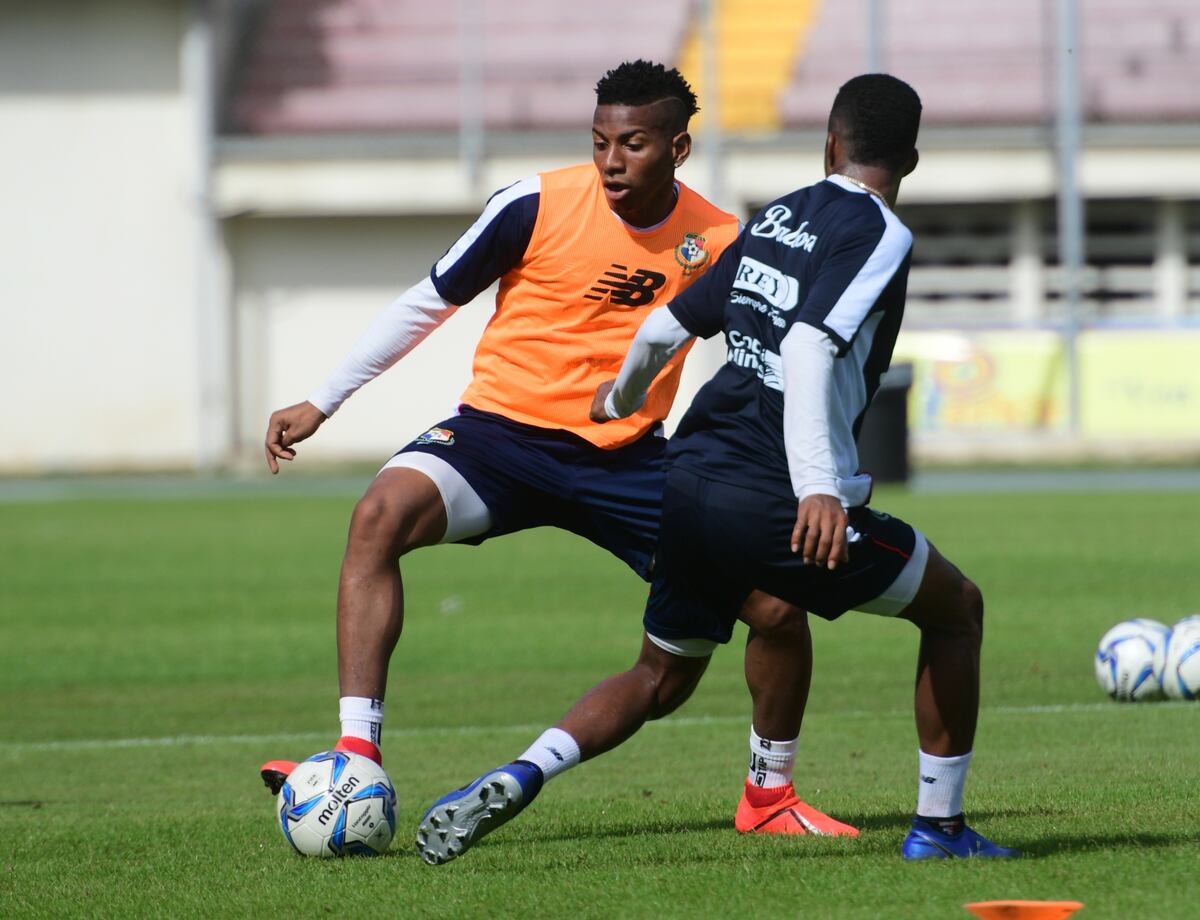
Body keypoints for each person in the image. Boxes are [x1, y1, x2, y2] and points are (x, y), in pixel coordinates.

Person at [417, 73, 1019, 864]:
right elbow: (808, 345)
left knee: (662, 673)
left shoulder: (776, 218)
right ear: (910, 157)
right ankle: (938, 830)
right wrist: (819, 490)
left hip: (688, 479)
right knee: (955, 608)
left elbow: (668, 324)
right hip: (771, 492)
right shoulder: (880, 233)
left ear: (829, 144)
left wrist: (617, 397)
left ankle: (525, 772)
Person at [257, 60, 841, 837]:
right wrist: (323, 400)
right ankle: (357, 753)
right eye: (600, 142)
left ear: (679, 148)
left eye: (633, 144)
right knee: (378, 516)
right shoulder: (535, 203)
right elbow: (427, 302)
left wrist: (803, 480)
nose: (611, 161)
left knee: (775, 606)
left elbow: (776, 366)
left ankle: (768, 796)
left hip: (627, 460)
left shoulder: (720, 239)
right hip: (498, 438)